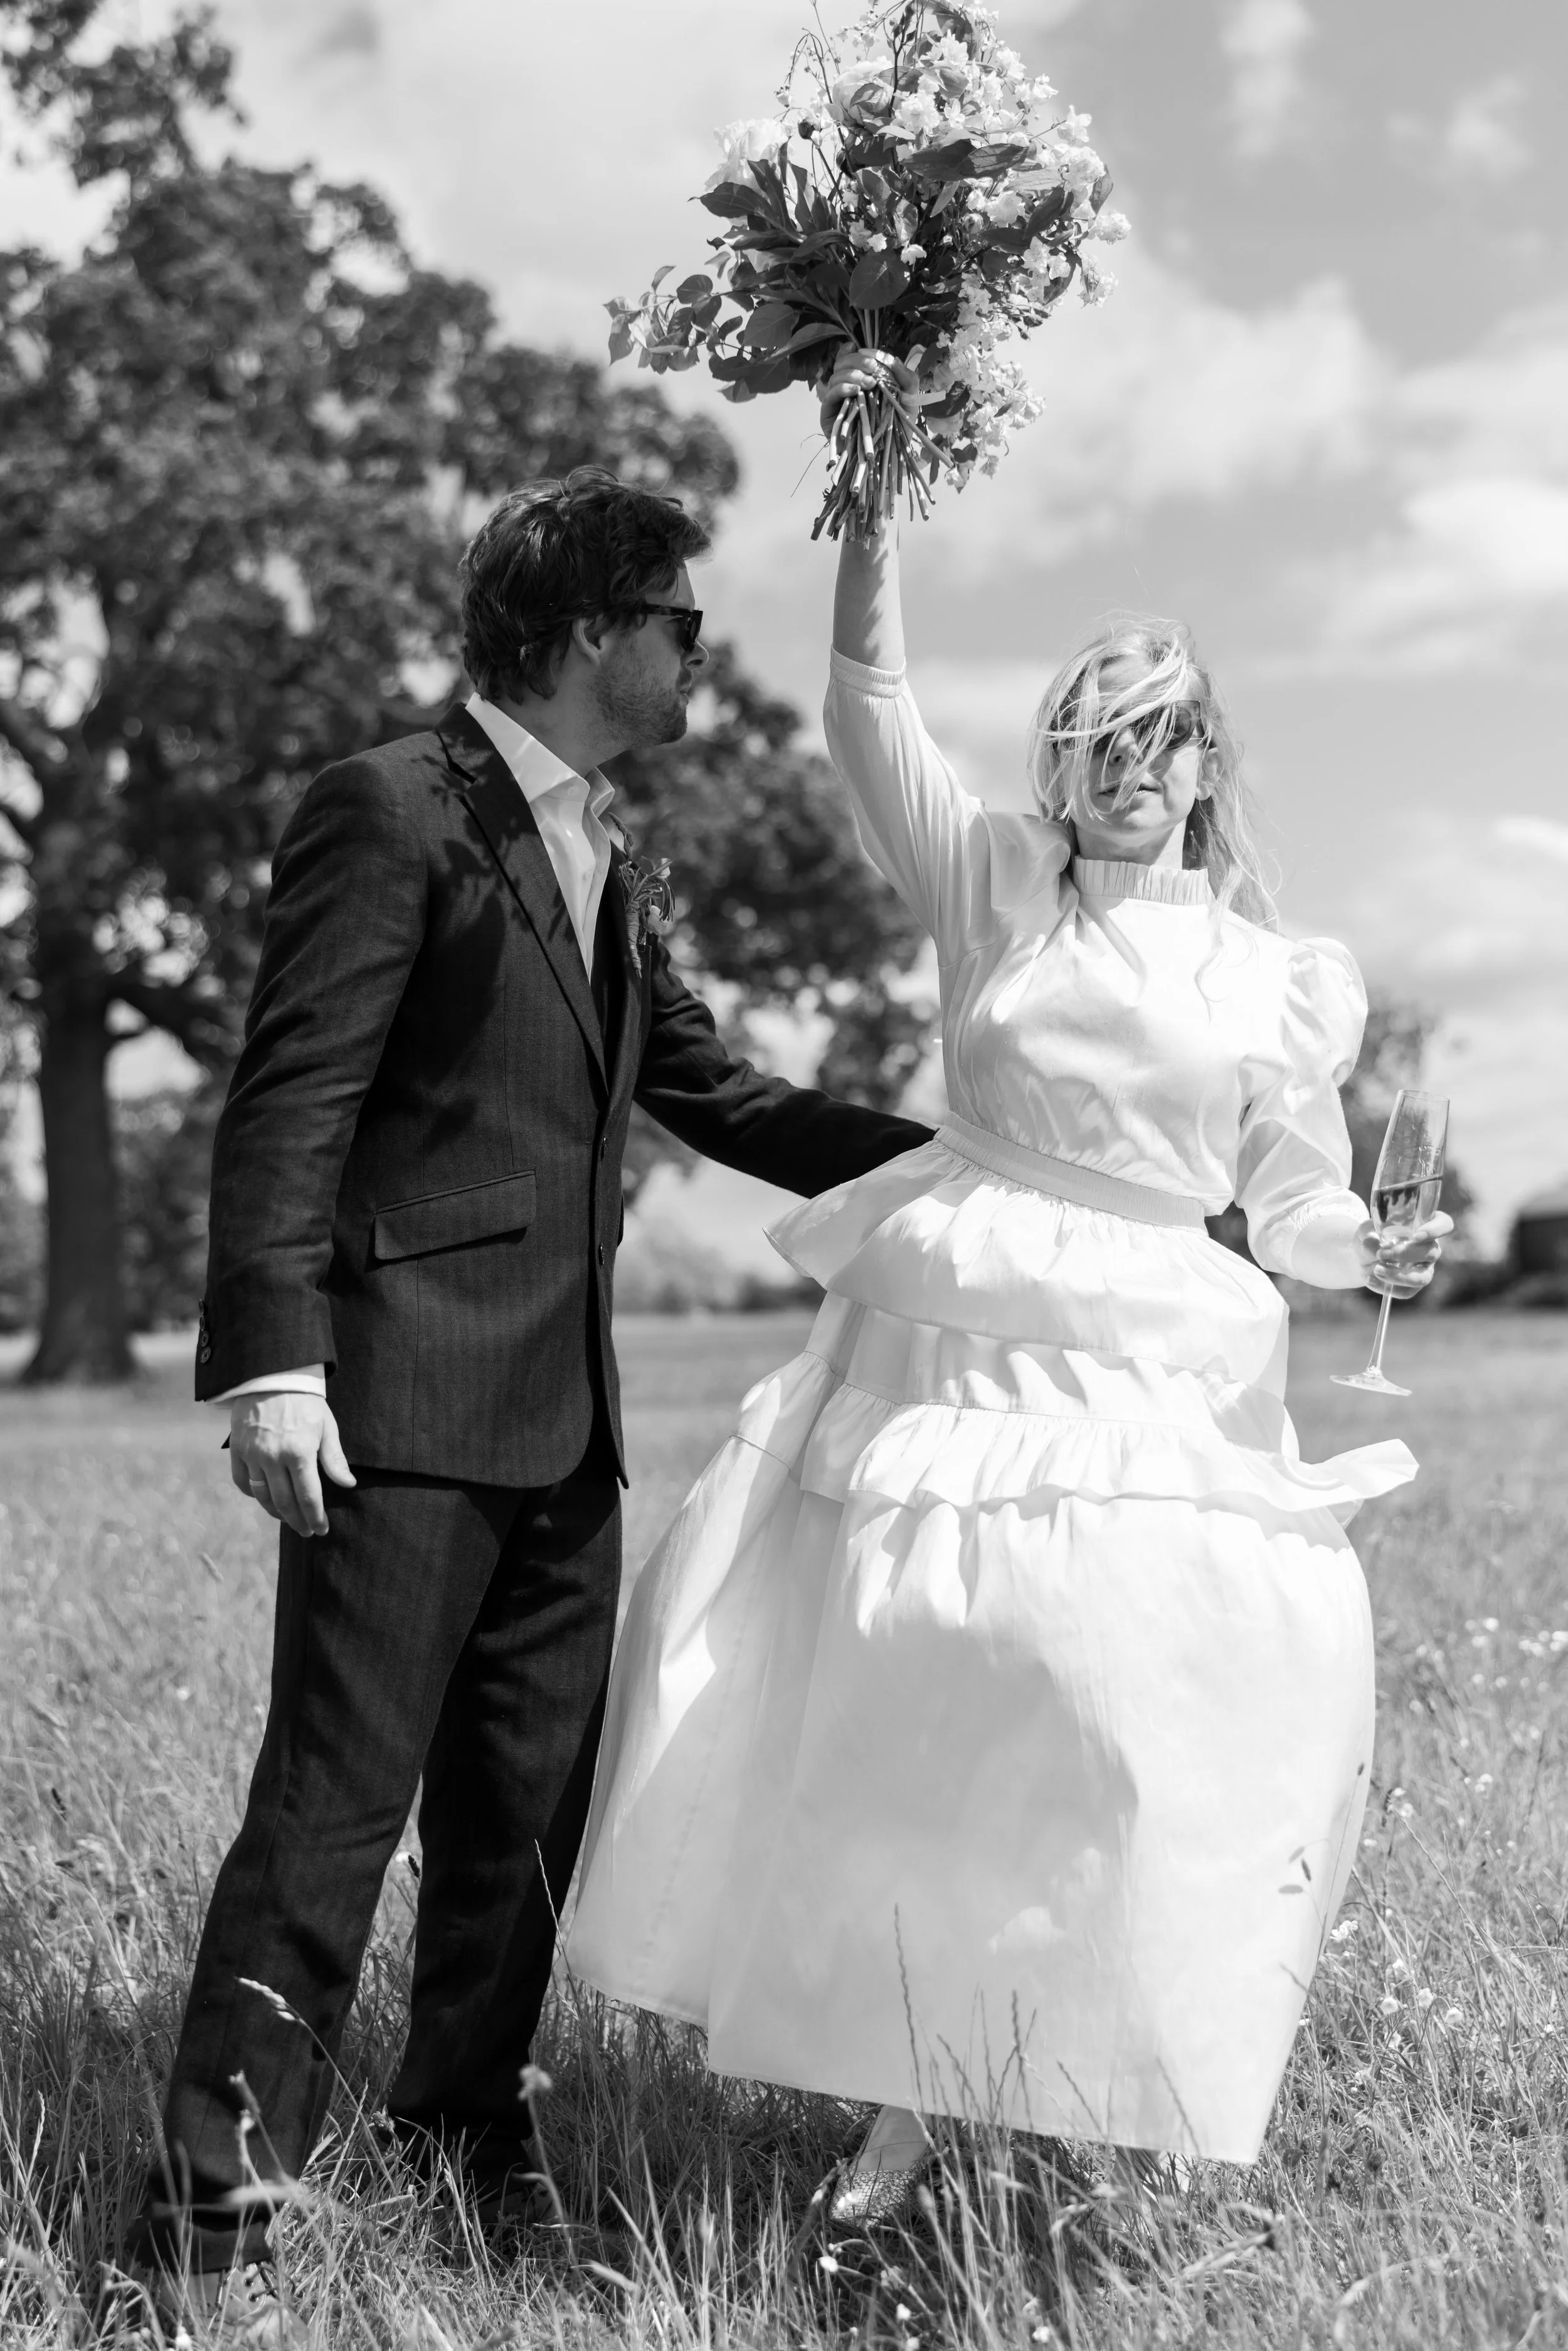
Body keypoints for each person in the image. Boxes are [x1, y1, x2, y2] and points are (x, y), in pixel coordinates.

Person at [565, 360, 1449, 2221]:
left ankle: (1078, 2052)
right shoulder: (990, 884)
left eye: (1158, 737)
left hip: (1150, 1365)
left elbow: (1280, 1194)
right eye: (1093, 737)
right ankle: (897, 2100)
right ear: (1060, 760)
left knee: (1133, 1698)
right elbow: (866, 699)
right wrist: (869, 504)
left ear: (1209, 760)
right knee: (925, 1689)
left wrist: (1362, 1249)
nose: (1125, 767)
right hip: (951, 1330)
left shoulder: (1274, 978)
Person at [137, 465, 933, 2333]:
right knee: (331, 1812)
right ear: (588, 633)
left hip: (566, 1435)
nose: (695, 656)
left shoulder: (604, 853)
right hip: (393, 1410)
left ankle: (460, 2138)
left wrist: (991, 1164)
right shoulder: (392, 808)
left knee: (524, 1818)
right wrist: (271, 1358)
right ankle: (204, 2216)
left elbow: (723, 1095)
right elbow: (291, 1096)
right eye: (678, 622)